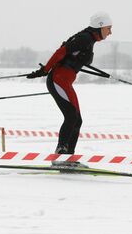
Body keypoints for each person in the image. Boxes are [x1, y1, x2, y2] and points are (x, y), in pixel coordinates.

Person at [27, 12, 113, 157]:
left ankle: (69, 156)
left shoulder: (89, 39)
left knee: (77, 120)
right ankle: (61, 152)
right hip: (58, 80)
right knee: (72, 117)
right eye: (108, 28)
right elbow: (61, 52)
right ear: (100, 27)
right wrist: (45, 70)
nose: (110, 32)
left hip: (65, 81)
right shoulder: (85, 38)